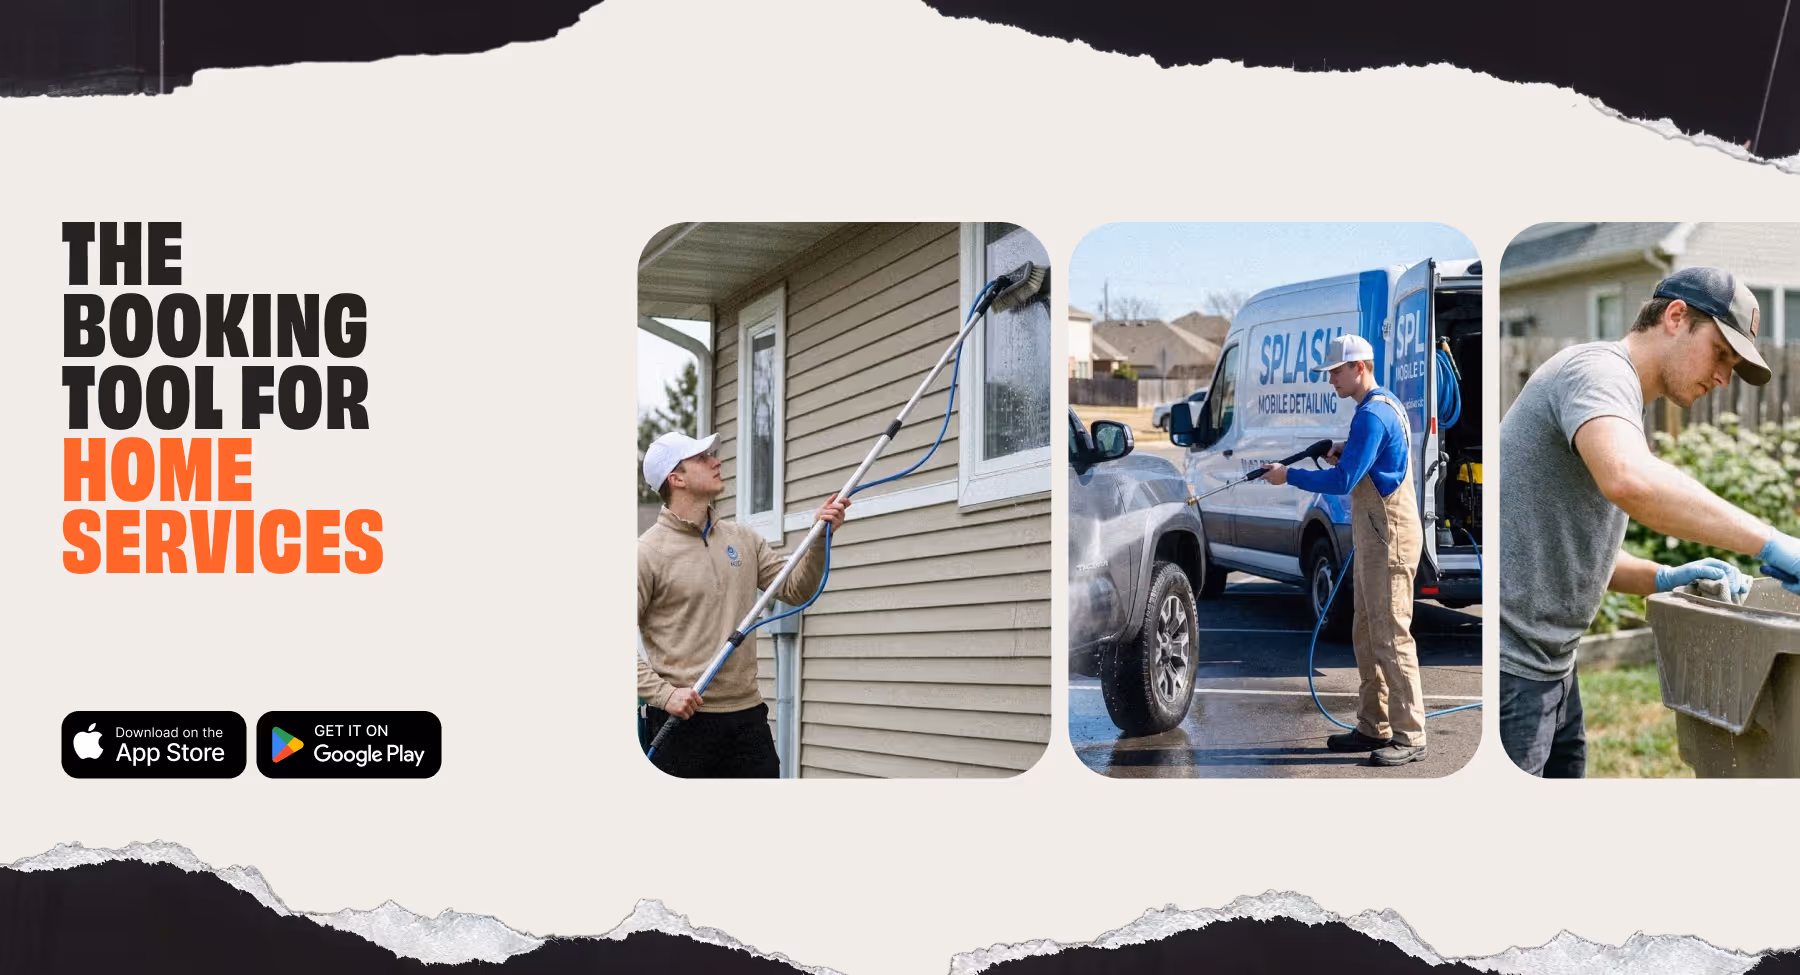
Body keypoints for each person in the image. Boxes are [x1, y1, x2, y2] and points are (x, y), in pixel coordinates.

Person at [1498, 266, 1800, 778]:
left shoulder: (1617, 401)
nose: (1724, 377)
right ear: (1676, 317)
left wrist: (1663, 576)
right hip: (1515, 673)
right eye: (1721, 353)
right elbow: (1630, 480)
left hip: (1552, 669)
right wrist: (1769, 541)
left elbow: (1572, 552)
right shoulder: (1598, 373)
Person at [637, 430, 849, 778]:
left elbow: (796, 590)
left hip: (747, 719)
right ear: (676, 478)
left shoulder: (744, 539)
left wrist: (818, 540)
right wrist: (662, 694)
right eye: (702, 459)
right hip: (682, 723)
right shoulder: (647, 553)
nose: (716, 462)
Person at [1261, 333, 1428, 767]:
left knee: (1391, 636)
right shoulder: (1381, 406)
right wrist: (1343, 451)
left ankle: (1411, 735)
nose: (1330, 379)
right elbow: (1365, 463)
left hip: (1388, 535)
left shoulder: (1373, 415)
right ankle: (1374, 725)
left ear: (1360, 368)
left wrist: (1289, 476)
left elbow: (1344, 482)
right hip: (1376, 534)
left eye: (1335, 371)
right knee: (1366, 632)